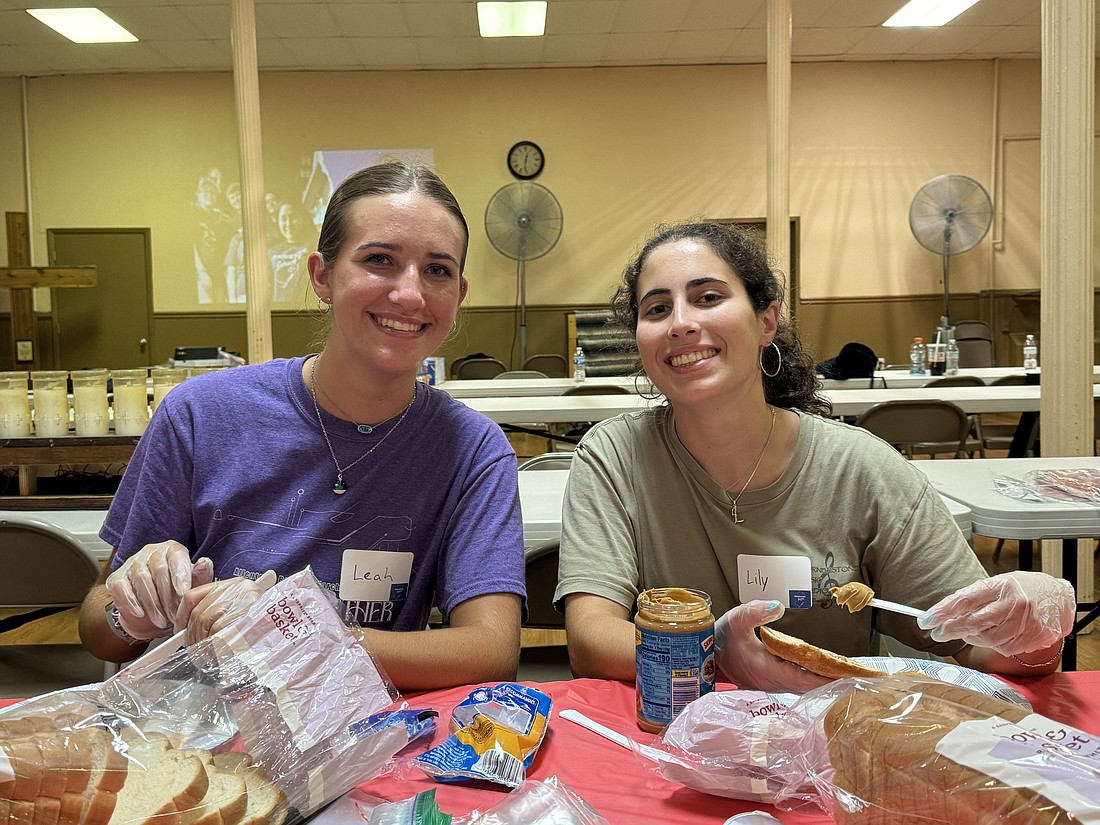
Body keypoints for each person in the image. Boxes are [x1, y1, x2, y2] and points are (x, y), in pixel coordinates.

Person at [554, 220, 1074, 693]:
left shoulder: (862, 472)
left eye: (708, 297)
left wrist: (1038, 628)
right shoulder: (615, 458)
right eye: (657, 309)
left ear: (767, 321)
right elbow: (591, 639)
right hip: (674, 752)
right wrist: (713, 656)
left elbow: (985, 650)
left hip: (836, 758)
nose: (681, 323)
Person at [79, 163, 526, 691]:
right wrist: (132, 609)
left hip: (364, 739)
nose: (410, 294)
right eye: (380, 260)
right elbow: (98, 628)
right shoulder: (201, 415)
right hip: (207, 738)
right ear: (322, 276)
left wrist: (299, 632)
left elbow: (490, 651)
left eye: (437, 270)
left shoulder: (471, 450)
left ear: (459, 293)